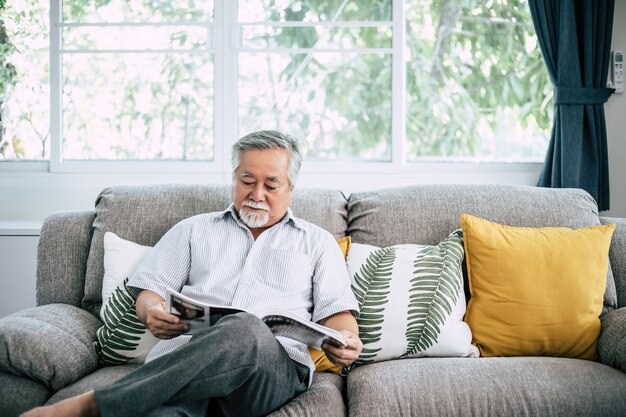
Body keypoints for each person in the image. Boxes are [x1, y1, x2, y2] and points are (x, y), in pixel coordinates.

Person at [21, 130, 362, 417]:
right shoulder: (192, 230)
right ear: (233, 179)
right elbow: (150, 292)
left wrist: (347, 342)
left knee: (246, 327)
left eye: (271, 185)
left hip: (267, 374)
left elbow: (339, 317)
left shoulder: (316, 242)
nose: (256, 194)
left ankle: (96, 405)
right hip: (186, 363)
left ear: (291, 188)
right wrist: (152, 312)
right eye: (247, 181)